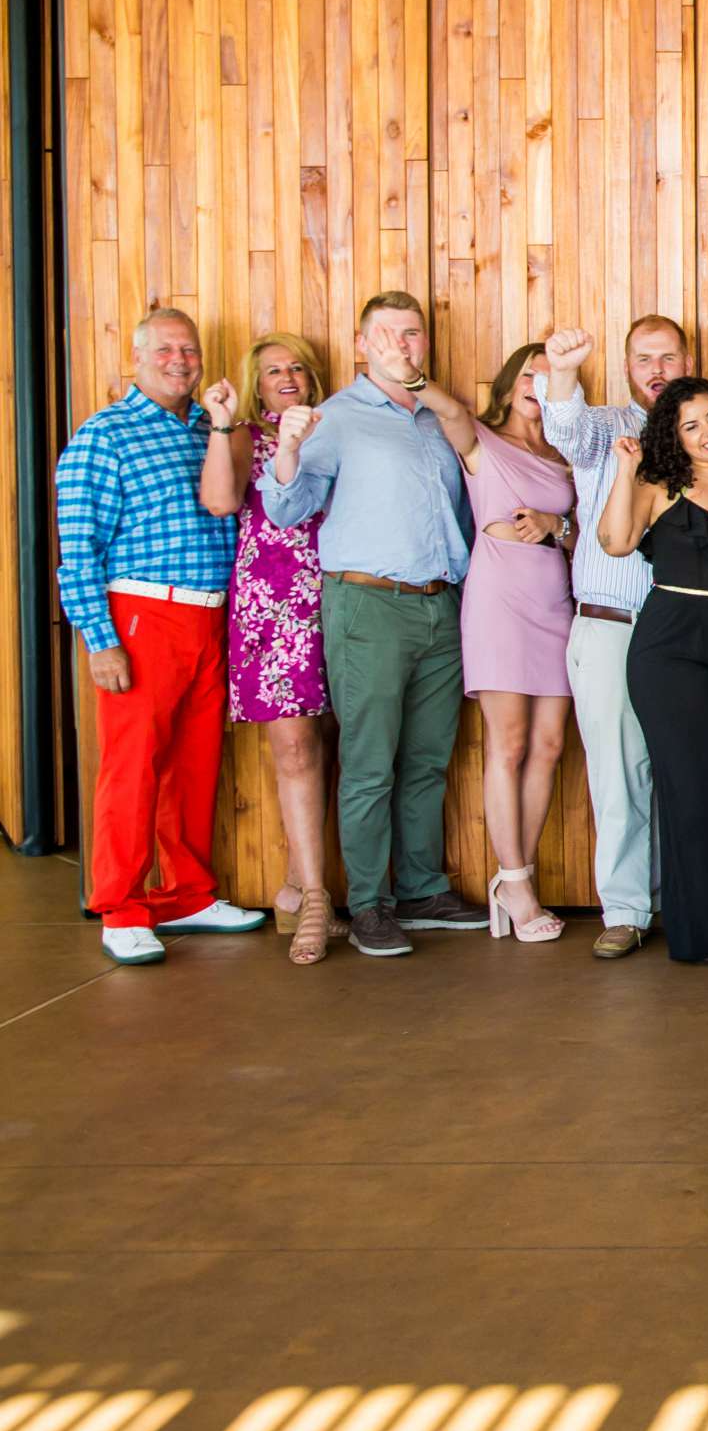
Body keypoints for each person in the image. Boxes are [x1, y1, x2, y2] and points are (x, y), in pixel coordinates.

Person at [265, 292, 488, 957]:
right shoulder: (335, 417)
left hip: (441, 601)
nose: (402, 345)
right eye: (387, 334)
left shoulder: (437, 418)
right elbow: (288, 508)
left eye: (413, 333)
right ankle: (368, 903)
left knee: (426, 759)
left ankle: (421, 889)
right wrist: (285, 450)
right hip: (368, 604)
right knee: (368, 763)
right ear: (363, 345)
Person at [56, 307, 264, 965]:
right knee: (133, 768)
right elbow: (77, 549)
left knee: (194, 766)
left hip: (210, 616)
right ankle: (121, 905)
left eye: (190, 350)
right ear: (138, 357)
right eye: (167, 349)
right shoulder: (104, 436)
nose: (181, 359)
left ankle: (187, 895)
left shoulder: (207, 427)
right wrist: (100, 638)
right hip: (143, 614)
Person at [595, 377, 708, 964]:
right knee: (693, 787)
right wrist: (625, 470)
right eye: (690, 425)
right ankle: (700, 935)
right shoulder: (655, 482)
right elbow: (616, 542)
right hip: (672, 648)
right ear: (674, 436)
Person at [540, 317, 690, 958]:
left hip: (684, 628)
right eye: (643, 358)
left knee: (682, 770)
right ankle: (628, 909)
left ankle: (683, 902)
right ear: (627, 367)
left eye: (668, 357)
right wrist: (565, 369)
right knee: (619, 773)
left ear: (688, 360)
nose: (656, 369)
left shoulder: (704, 433)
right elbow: (565, 428)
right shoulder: (605, 427)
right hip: (612, 625)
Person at [418, 341, 576, 945]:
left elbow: (581, 532)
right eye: (529, 376)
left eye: (550, 377)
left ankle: (518, 875)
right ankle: (514, 881)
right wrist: (415, 379)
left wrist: (554, 526)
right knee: (506, 743)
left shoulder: (564, 454)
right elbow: (452, 415)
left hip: (556, 602)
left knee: (550, 744)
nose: (538, 386)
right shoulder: (483, 441)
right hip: (500, 602)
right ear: (510, 385)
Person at [198, 332, 335, 964]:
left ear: (312, 378)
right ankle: (313, 897)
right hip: (274, 602)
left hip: (341, 595)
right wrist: (222, 423)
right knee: (295, 746)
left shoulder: (336, 426)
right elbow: (222, 502)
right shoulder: (242, 436)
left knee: (338, 746)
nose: (286, 377)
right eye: (273, 370)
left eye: (297, 369)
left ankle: (294, 885)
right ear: (256, 383)